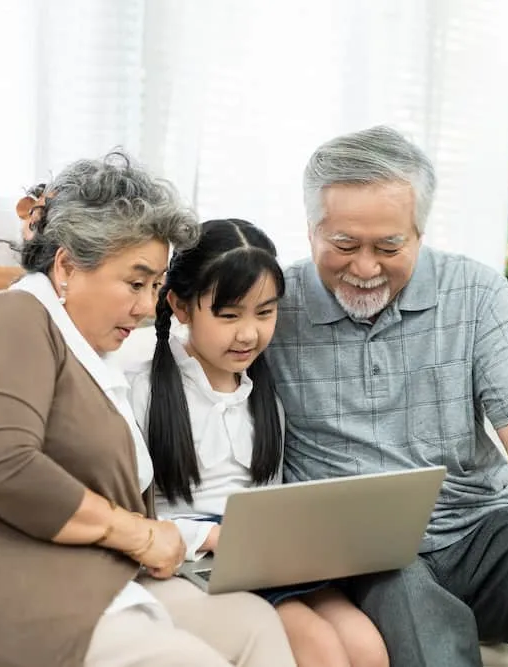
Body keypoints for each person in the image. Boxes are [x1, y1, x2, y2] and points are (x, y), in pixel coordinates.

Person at [0, 151, 297, 667]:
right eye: (136, 283)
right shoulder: (11, 317)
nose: (145, 307)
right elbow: (5, 468)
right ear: (67, 265)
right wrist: (138, 533)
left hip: (76, 575)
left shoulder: (88, 356)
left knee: (254, 625)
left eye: (156, 286)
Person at [264, 126, 508, 667]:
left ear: (419, 230)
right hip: (365, 549)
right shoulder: (274, 307)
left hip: (479, 524)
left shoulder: (476, 292)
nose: (365, 268)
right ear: (311, 228)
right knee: (420, 618)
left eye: (390, 246)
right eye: (343, 244)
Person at [125, 218, 389, 667]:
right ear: (181, 306)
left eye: (265, 313)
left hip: (261, 559)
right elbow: (132, 513)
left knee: (366, 645)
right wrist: (211, 536)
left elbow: (268, 497)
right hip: (191, 556)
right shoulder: (142, 388)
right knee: (318, 645)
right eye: (229, 315)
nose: (249, 333)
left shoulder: (265, 393)